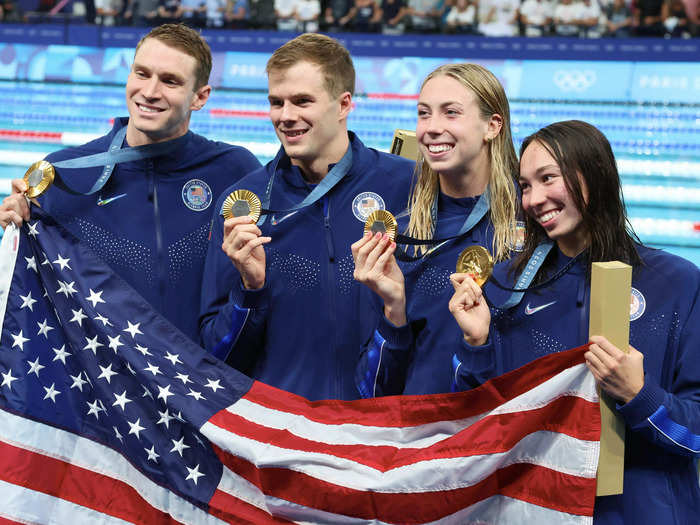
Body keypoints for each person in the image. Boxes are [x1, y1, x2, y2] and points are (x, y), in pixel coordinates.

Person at [450, 120, 700, 524]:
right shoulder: (506, 287)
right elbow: (480, 423)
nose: (534, 199)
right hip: (538, 510)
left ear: (595, 175)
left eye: (548, 178)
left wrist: (641, 396)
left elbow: (698, 433)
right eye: (525, 185)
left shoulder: (678, 282)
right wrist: (475, 345)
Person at [0, 24, 262, 343]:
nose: (150, 92)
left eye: (170, 81)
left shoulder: (234, 171)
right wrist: (14, 231)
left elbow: (263, 290)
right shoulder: (62, 174)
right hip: (98, 384)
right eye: (142, 73)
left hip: (194, 385)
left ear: (200, 97)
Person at [199, 33, 414, 401]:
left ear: (343, 104)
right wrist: (250, 291)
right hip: (281, 436)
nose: (285, 116)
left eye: (302, 101)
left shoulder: (406, 186)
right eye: (276, 102)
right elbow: (216, 358)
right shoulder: (241, 206)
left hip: (379, 435)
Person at [352, 63, 520, 396]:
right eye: (424, 113)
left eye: (451, 113)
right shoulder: (401, 236)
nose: (431, 128)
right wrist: (393, 313)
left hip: (506, 437)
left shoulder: (534, 225)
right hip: (420, 437)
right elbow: (371, 392)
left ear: (492, 125)